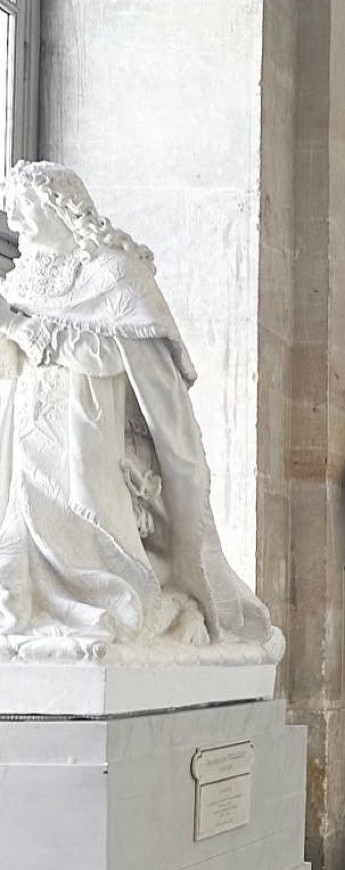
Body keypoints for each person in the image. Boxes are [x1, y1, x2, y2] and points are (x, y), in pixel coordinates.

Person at [0, 160, 280, 659]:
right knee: (22, 531)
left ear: (57, 206)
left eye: (22, 206)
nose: (13, 219)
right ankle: (39, 603)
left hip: (90, 432)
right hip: (27, 427)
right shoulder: (20, 282)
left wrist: (44, 338)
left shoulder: (112, 274)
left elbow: (140, 363)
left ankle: (118, 600)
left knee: (88, 529)